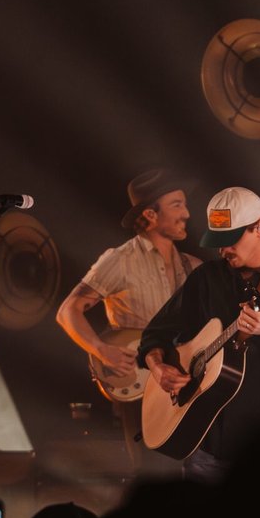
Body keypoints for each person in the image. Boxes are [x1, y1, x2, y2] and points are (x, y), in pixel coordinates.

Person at [137, 186, 260, 484]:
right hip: (209, 443)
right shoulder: (205, 278)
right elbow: (155, 335)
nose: (223, 250)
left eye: (231, 240)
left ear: (259, 228)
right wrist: (159, 367)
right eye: (218, 242)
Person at [56, 169, 201, 479]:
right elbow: (68, 310)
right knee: (154, 475)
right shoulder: (120, 260)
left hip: (182, 379)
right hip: (140, 386)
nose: (187, 214)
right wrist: (101, 349)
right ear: (150, 214)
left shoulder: (192, 266)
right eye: (177, 205)